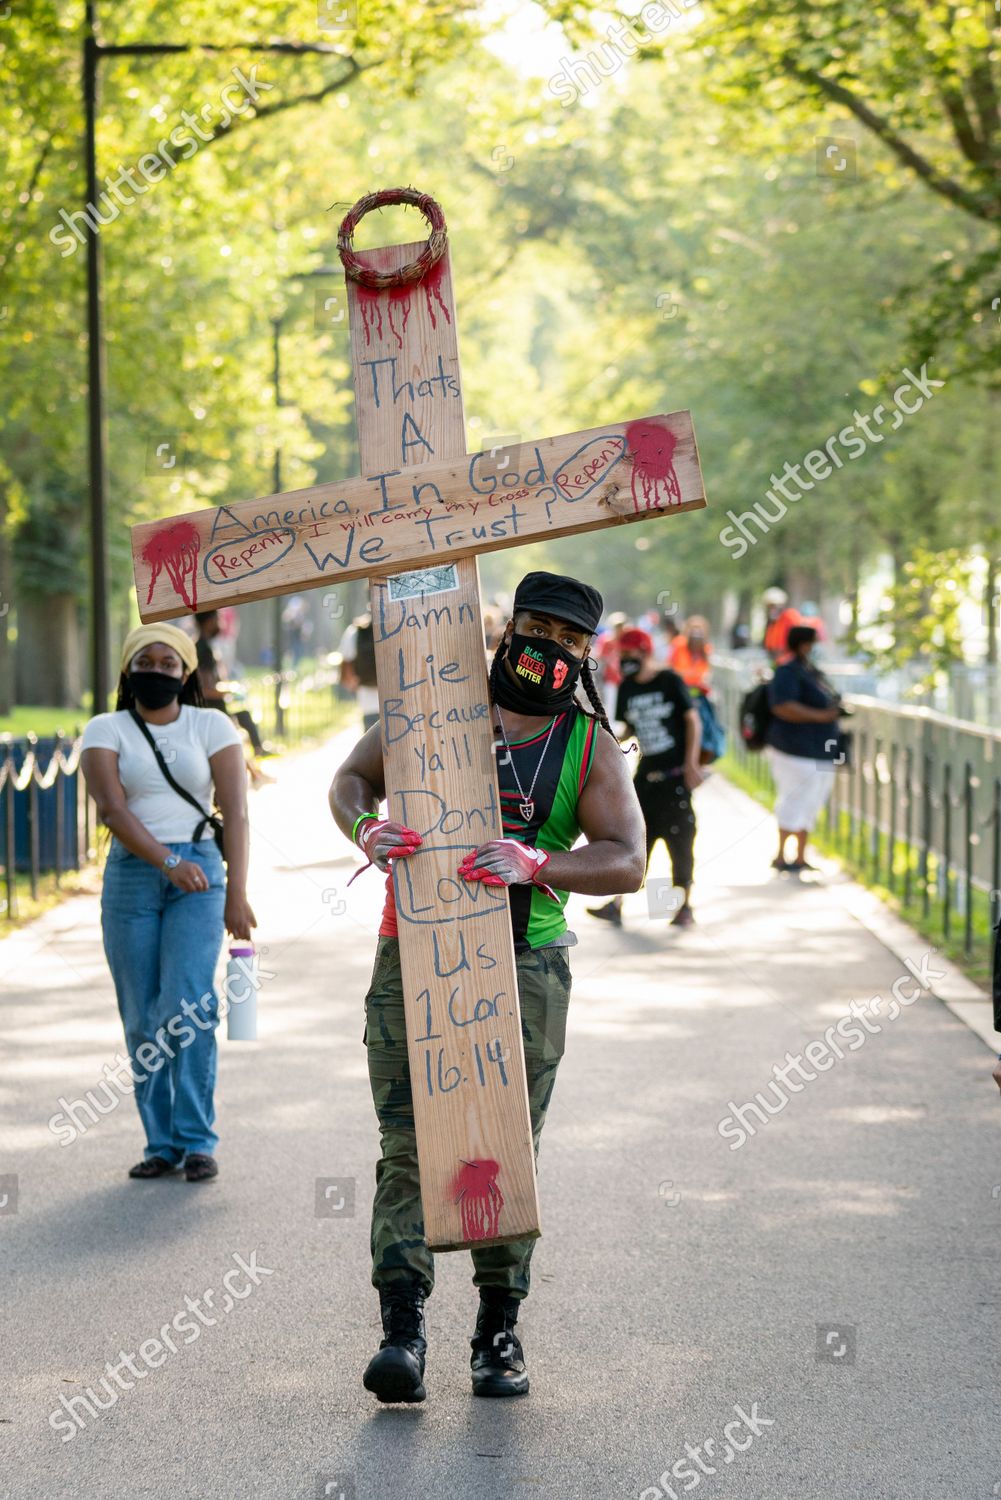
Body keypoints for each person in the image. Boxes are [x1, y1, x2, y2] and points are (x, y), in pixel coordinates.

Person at [329, 571, 645, 1405]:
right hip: (413, 957)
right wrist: (368, 827)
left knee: (504, 1148)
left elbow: (627, 858)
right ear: (510, 629)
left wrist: (540, 862)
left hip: (526, 964)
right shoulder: (434, 704)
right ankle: (401, 1330)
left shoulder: (587, 745)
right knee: (406, 1146)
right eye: (537, 628)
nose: (549, 649)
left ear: (584, 655)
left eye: (569, 641)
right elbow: (349, 781)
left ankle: (496, 1334)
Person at [80, 624, 256, 1183]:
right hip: (134, 876)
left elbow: (236, 812)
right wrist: (165, 863)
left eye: (168, 663)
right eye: (145, 662)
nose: (156, 672)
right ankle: (160, 1143)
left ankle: (197, 1138)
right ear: (128, 672)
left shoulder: (212, 725)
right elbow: (112, 810)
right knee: (142, 1016)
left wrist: (238, 893)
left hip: (201, 874)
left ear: (187, 673)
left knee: (190, 1004)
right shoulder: (104, 730)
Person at [588, 627, 703, 929]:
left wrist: (691, 764)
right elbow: (628, 729)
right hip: (646, 776)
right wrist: (606, 740)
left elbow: (692, 720)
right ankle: (616, 903)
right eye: (622, 655)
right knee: (634, 837)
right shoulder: (627, 687)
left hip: (675, 775)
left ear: (645, 652)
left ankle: (685, 906)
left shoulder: (669, 681)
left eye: (630, 654)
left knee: (680, 837)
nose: (625, 660)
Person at [765, 624, 845, 872]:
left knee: (812, 800)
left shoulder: (811, 671)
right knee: (794, 798)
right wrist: (821, 716)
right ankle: (781, 856)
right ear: (804, 644)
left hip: (821, 750)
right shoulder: (787, 671)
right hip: (795, 750)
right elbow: (782, 706)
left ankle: (800, 856)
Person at [194, 610, 273, 757]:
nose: (221, 623)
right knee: (242, 720)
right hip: (212, 711)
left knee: (244, 716)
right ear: (209, 621)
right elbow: (204, 689)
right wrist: (230, 691)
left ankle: (258, 753)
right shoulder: (202, 650)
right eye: (218, 619)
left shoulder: (207, 647)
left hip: (217, 708)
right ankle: (258, 753)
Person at [338, 613, 380, 731]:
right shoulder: (398, 624)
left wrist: (356, 686)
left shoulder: (355, 630)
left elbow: (346, 672)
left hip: (369, 704)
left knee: (374, 748)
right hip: (400, 702)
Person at [593, 610, 629, 713]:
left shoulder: (626, 641)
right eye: (618, 626)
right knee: (611, 705)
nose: (620, 628)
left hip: (625, 677)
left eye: (621, 625)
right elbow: (598, 657)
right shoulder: (606, 640)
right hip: (609, 677)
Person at [668, 615, 712, 692]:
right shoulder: (678, 644)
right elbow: (670, 666)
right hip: (679, 687)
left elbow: (706, 671)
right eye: (693, 630)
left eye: (699, 630)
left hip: (697, 689)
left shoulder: (706, 649)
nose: (696, 634)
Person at [762, 587, 801, 660]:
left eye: (774, 606)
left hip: (789, 658)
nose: (772, 609)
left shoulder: (790, 616)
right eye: (770, 606)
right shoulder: (772, 622)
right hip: (776, 657)